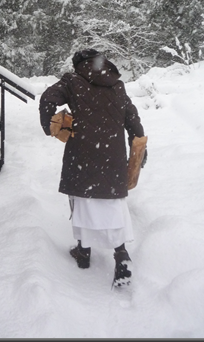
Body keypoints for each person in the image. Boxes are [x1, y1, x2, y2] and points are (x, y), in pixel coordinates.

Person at [39, 48, 146, 288]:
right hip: (113, 155)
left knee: (82, 202)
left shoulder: (73, 81)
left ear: (78, 64)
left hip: (82, 153)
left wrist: (49, 126)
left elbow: (48, 98)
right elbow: (132, 118)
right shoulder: (117, 85)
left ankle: (83, 252)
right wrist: (139, 145)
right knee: (113, 205)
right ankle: (121, 255)